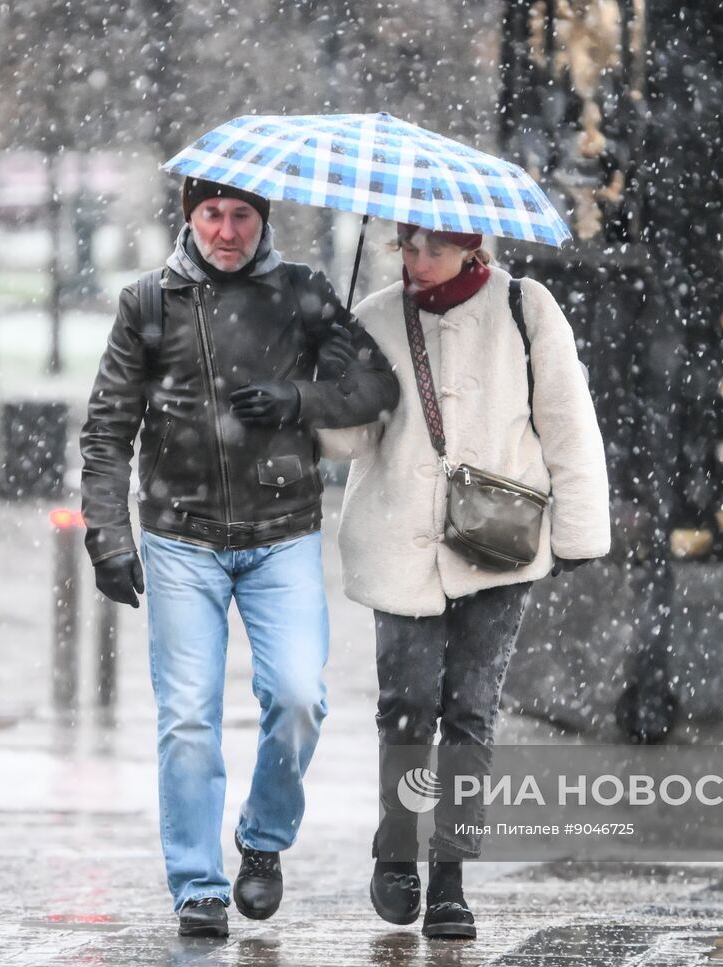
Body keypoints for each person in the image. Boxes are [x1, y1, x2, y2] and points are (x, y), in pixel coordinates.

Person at [79, 177, 400, 938]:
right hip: (179, 537)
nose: (228, 230)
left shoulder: (304, 293)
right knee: (187, 716)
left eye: (243, 215)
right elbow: (106, 431)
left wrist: (298, 399)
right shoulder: (149, 303)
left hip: (281, 532)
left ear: (264, 219)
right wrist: (109, 535)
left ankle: (262, 838)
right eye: (212, 214)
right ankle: (198, 883)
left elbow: (375, 387)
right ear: (190, 218)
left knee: (298, 697)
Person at [318, 224, 611, 940]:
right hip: (401, 542)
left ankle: (450, 875)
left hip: (498, 539)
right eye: (408, 246)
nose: (417, 262)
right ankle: (396, 844)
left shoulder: (525, 306)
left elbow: (568, 423)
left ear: (471, 246)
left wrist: (578, 532)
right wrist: (329, 382)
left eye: (434, 249)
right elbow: (347, 443)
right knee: (408, 704)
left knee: (471, 709)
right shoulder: (378, 315)